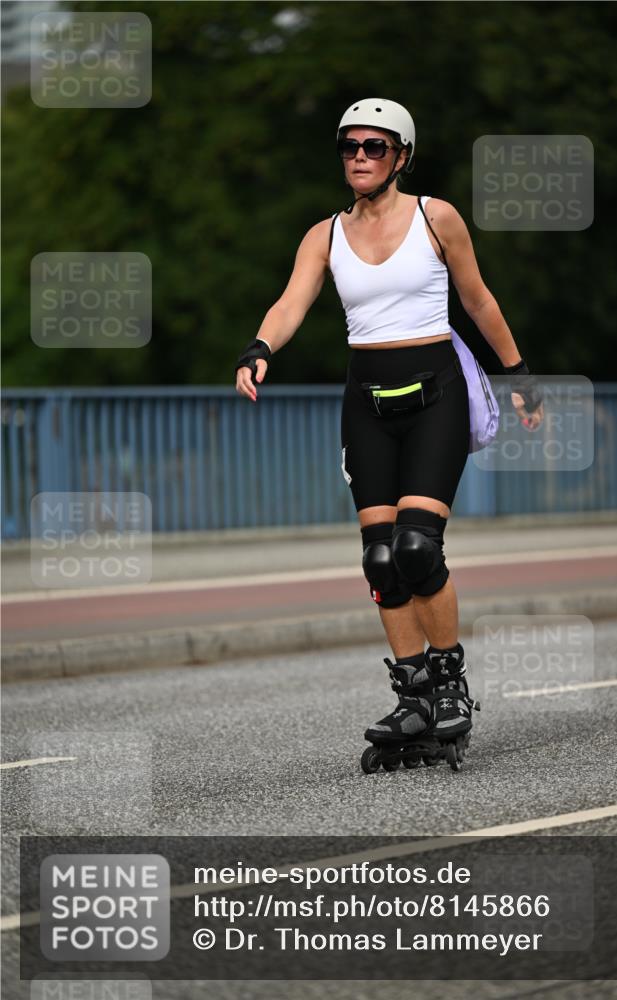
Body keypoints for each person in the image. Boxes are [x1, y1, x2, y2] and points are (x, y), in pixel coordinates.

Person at [235, 98, 543, 771]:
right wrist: (259, 348)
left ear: (401, 156)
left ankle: (449, 683)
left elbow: (477, 298)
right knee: (379, 558)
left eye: (374, 146)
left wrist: (517, 373)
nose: (359, 157)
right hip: (366, 402)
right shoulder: (325, 235)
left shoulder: (436, 217)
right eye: (349, 146)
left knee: (415, 546)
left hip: (436, 395)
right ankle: (413, 697)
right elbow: (291, 301)